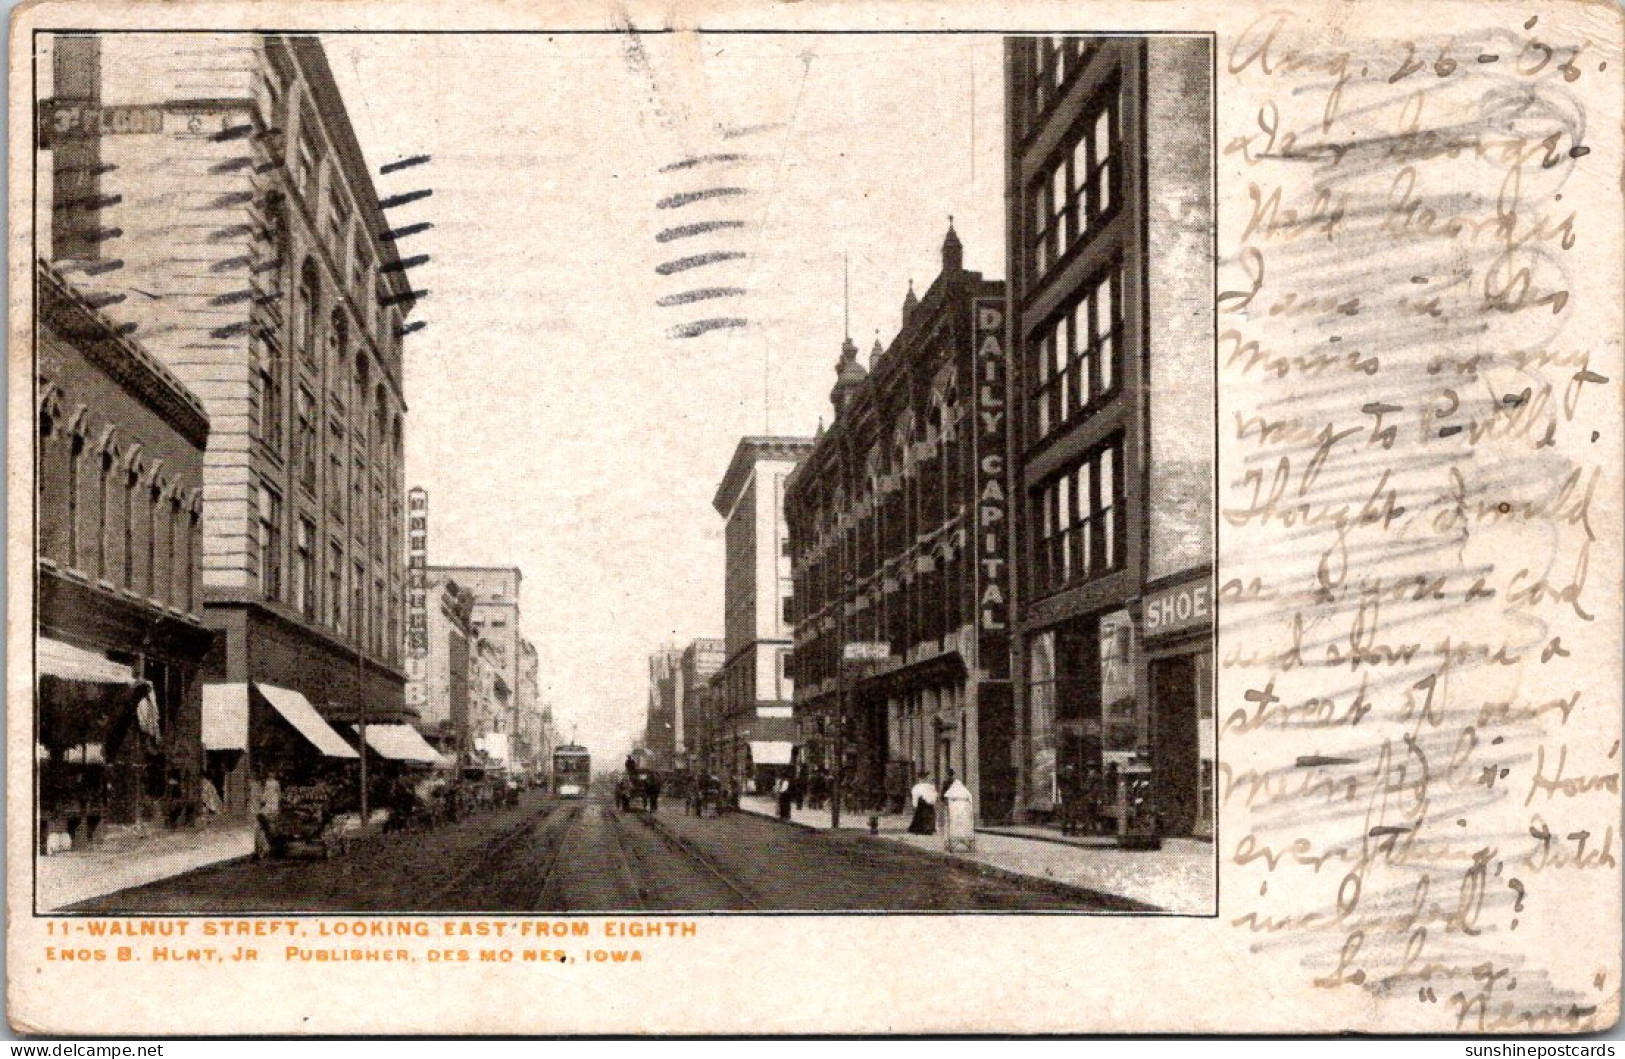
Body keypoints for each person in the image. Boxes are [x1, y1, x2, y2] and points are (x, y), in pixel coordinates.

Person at [252, 767, 281, 860]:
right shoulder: (267, 783)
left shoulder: (276, 783)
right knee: (264, 821)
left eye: (272, 773)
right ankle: (264, 846)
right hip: (268, 804)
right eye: (270, 773)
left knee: (270, 820)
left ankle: (267, 845)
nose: (271, 775)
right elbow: (265, 794)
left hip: (272, 804)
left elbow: (278, 793)